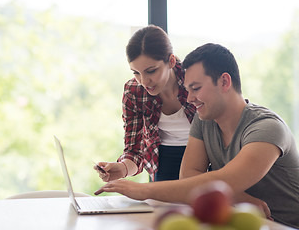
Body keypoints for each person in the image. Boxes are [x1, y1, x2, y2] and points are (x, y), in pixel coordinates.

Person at [95, 43, 299, 229]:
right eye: (187, 90)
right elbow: (189, 176)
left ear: (225, 81)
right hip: (238, 223)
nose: (190, 99)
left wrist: (143, 191)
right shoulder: (204, 120)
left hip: (283, 225)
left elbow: (227, 180)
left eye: (196, 89)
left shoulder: (266, 128)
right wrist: (236, 197)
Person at [94, 25, 196, 182]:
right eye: (136, 72)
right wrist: (122, 169)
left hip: (205, 162)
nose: (144, 81)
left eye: (151, 71)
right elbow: (134, 150)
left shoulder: (195, 80)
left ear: (171, 61)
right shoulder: (134, 92)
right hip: (163, 166)